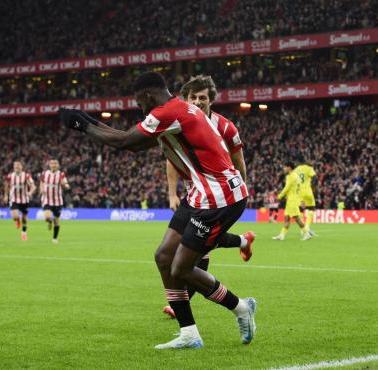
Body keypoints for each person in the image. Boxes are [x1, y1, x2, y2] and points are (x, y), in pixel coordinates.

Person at [58, 71, 256, 349]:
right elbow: (135, 145)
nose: (140, 109)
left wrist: (83, 125)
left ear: (147, 96)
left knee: (182, 269)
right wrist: (88, 121)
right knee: (164, 257)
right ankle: (189, 333)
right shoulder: (178, 111)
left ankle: (241, 307)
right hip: (202, 193)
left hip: (218, 198)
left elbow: (125, 141)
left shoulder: (169, 111)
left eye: (140, 102)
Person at [161, 75, 255, 319]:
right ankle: (243, 242)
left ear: (211, 100)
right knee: (184, 250)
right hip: (194, 194)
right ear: (185, 99)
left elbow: (239, 162)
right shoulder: (180, 123)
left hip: (219, 195)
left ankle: (184, 305)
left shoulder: (225, 127)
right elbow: (172, 159)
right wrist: (172, 193)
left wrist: (241, 190)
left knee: (195, 251)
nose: (198, 101)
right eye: (193, 97)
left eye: (202, 98)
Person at [272, 162, 313, 241]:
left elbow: (287, 188)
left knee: (297, 218)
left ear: (289, 168)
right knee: (287, 218)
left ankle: (306, 233)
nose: (284, 169)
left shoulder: (290, 176)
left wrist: (280, 196)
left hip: (292, 200)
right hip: (292, 199)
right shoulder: (296, 176)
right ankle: (282, 235)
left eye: (285, 167)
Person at [39, 159, 70, 243]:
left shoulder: (61, 174)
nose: (53, 165)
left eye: (55, 163)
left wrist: (64, 185)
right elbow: (41, 182)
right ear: (49, 165)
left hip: (58, 201)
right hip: (47, 200)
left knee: (56, 220)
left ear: (58, 165)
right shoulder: (45, 173)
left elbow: (67, 186)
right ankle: (49, 222)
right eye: (52, 163)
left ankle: (55, 238)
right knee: (47, 217)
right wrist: (41, 189)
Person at [3, 161, 36, 240]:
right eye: (15, 166)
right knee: (14, 216)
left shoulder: (26, 176)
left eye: (18, 165)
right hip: (14, 198)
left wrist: (30, 192)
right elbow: (6, 186)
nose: (17, 167)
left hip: (24, 199)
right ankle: (17, 220)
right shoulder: (10, 176)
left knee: (24, 217)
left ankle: (24, 233)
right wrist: (5, 195)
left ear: (22, 167)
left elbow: (33, 186)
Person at [294, 159, 318, 233]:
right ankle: (307, 227)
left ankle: (302, 229)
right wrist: (313, 188)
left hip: (299, 193)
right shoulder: (308, 168)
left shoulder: (296, 169)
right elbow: (315, 178)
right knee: (312, 208)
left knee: (301, 209)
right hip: (307, 191)